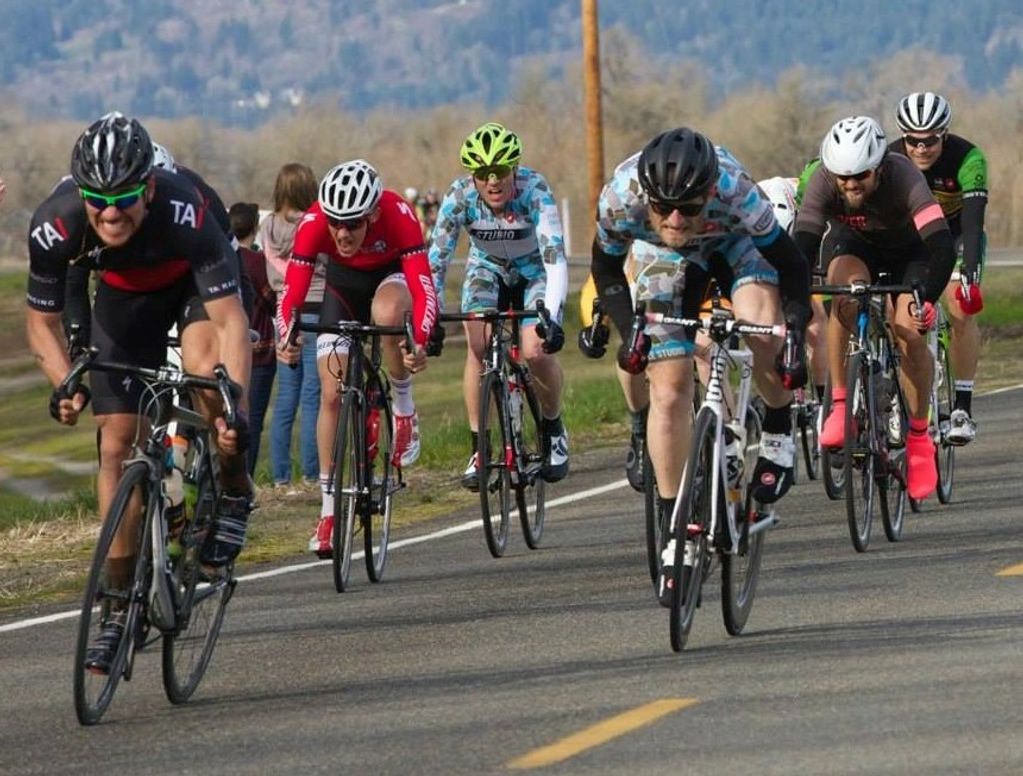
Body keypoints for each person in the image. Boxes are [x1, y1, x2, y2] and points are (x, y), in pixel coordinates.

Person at [27, 112, 253, 673]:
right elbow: (42, 324)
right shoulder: (55, 223)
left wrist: (234, 404)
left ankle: (232, 487)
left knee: (205, 374)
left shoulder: (187, 209)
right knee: (117, 443)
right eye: (96, 199)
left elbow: (231, 323)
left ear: (148, 187)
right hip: (126, 302)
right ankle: (115, 605)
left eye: (124, 197)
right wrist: (64, 383)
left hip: (194, 288)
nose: (109, 212)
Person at [587, 127, 811, 604]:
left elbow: (790, 266)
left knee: (758, 324)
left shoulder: (737, 194)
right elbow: (606, 271)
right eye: (663, 206)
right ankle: (676, 529)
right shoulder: (620, 199)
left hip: (733, 244)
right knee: (668, 391)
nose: (673, 217)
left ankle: (776, 425)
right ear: (645, 196)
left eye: (687, 207)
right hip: (659, 259)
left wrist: (790, 334)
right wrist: (632, 334)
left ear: (708, 192)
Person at [276, 159, 437, 557]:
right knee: (331, 391)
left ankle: (402, 405)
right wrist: (287, 335)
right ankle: (329, 510)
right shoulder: (313, 223)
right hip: (343, 287)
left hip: (390, 278)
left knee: (386, 314)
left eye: (353, 224)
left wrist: (418, 339)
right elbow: (292, 294)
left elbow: (423, 286)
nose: (343, 233)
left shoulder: (399, 214)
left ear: (374, 214)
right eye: (336, 223)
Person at [794, 115, 958, 501]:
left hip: (911, 252)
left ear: (880, 167)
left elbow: (942, 247)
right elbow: (803, 243)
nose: (850, 185)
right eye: (843, 178)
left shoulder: (904, 177)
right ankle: (839, 406)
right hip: (855, 244)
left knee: (909, 332)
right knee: (844, 298)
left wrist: (928, 300)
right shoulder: (822, 179)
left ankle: (919, 439)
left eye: (860, 177)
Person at [429, 122, 569, 489]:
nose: (492, 181)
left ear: (514, 169)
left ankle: (553, 429)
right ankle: (480, 448)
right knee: (478, 347)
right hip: (487, 268)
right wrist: (431, 314)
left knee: (535, 350)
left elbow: (555, 258)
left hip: (534, 269)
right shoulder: (459, 197)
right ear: (472, 176)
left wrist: (551, 317)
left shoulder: (535, 191)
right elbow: (436, 261)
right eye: (482, 174)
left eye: (500, 172)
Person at [889, 91, 988, 444]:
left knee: (960, 308)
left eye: (929, 140)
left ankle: (962, 407)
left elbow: (974, 225)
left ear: (943, 134)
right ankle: (903, 402)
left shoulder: (968, 158)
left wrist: (970, 277)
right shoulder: (890, 159)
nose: (920, 148)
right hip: (914, 241)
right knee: (896, 316)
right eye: (912, 140)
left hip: (958, 235)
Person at [259, 163, 321, 491]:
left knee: (285, 399)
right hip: (316, 310)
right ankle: (312, 472)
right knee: (313, 395)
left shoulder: (268, 226)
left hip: (284, 313)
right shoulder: (313, 224)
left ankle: (280, 475)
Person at [230, 201, 276, 477]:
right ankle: (244, 477)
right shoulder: (257, 262)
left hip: (226, 352)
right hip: (259, 352)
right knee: (253, 420)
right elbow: (271, 300)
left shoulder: (222, 257)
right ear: (254, 229)